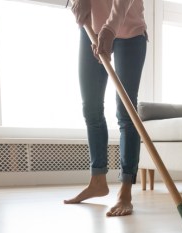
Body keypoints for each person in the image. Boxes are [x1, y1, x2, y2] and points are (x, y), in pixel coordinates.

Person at [63, 0, 147, 217]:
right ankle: (97, 181)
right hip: (93, 26)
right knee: (90, 106)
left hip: (129, 29)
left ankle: (126, 190)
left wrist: (110, 28)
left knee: (126, 110)